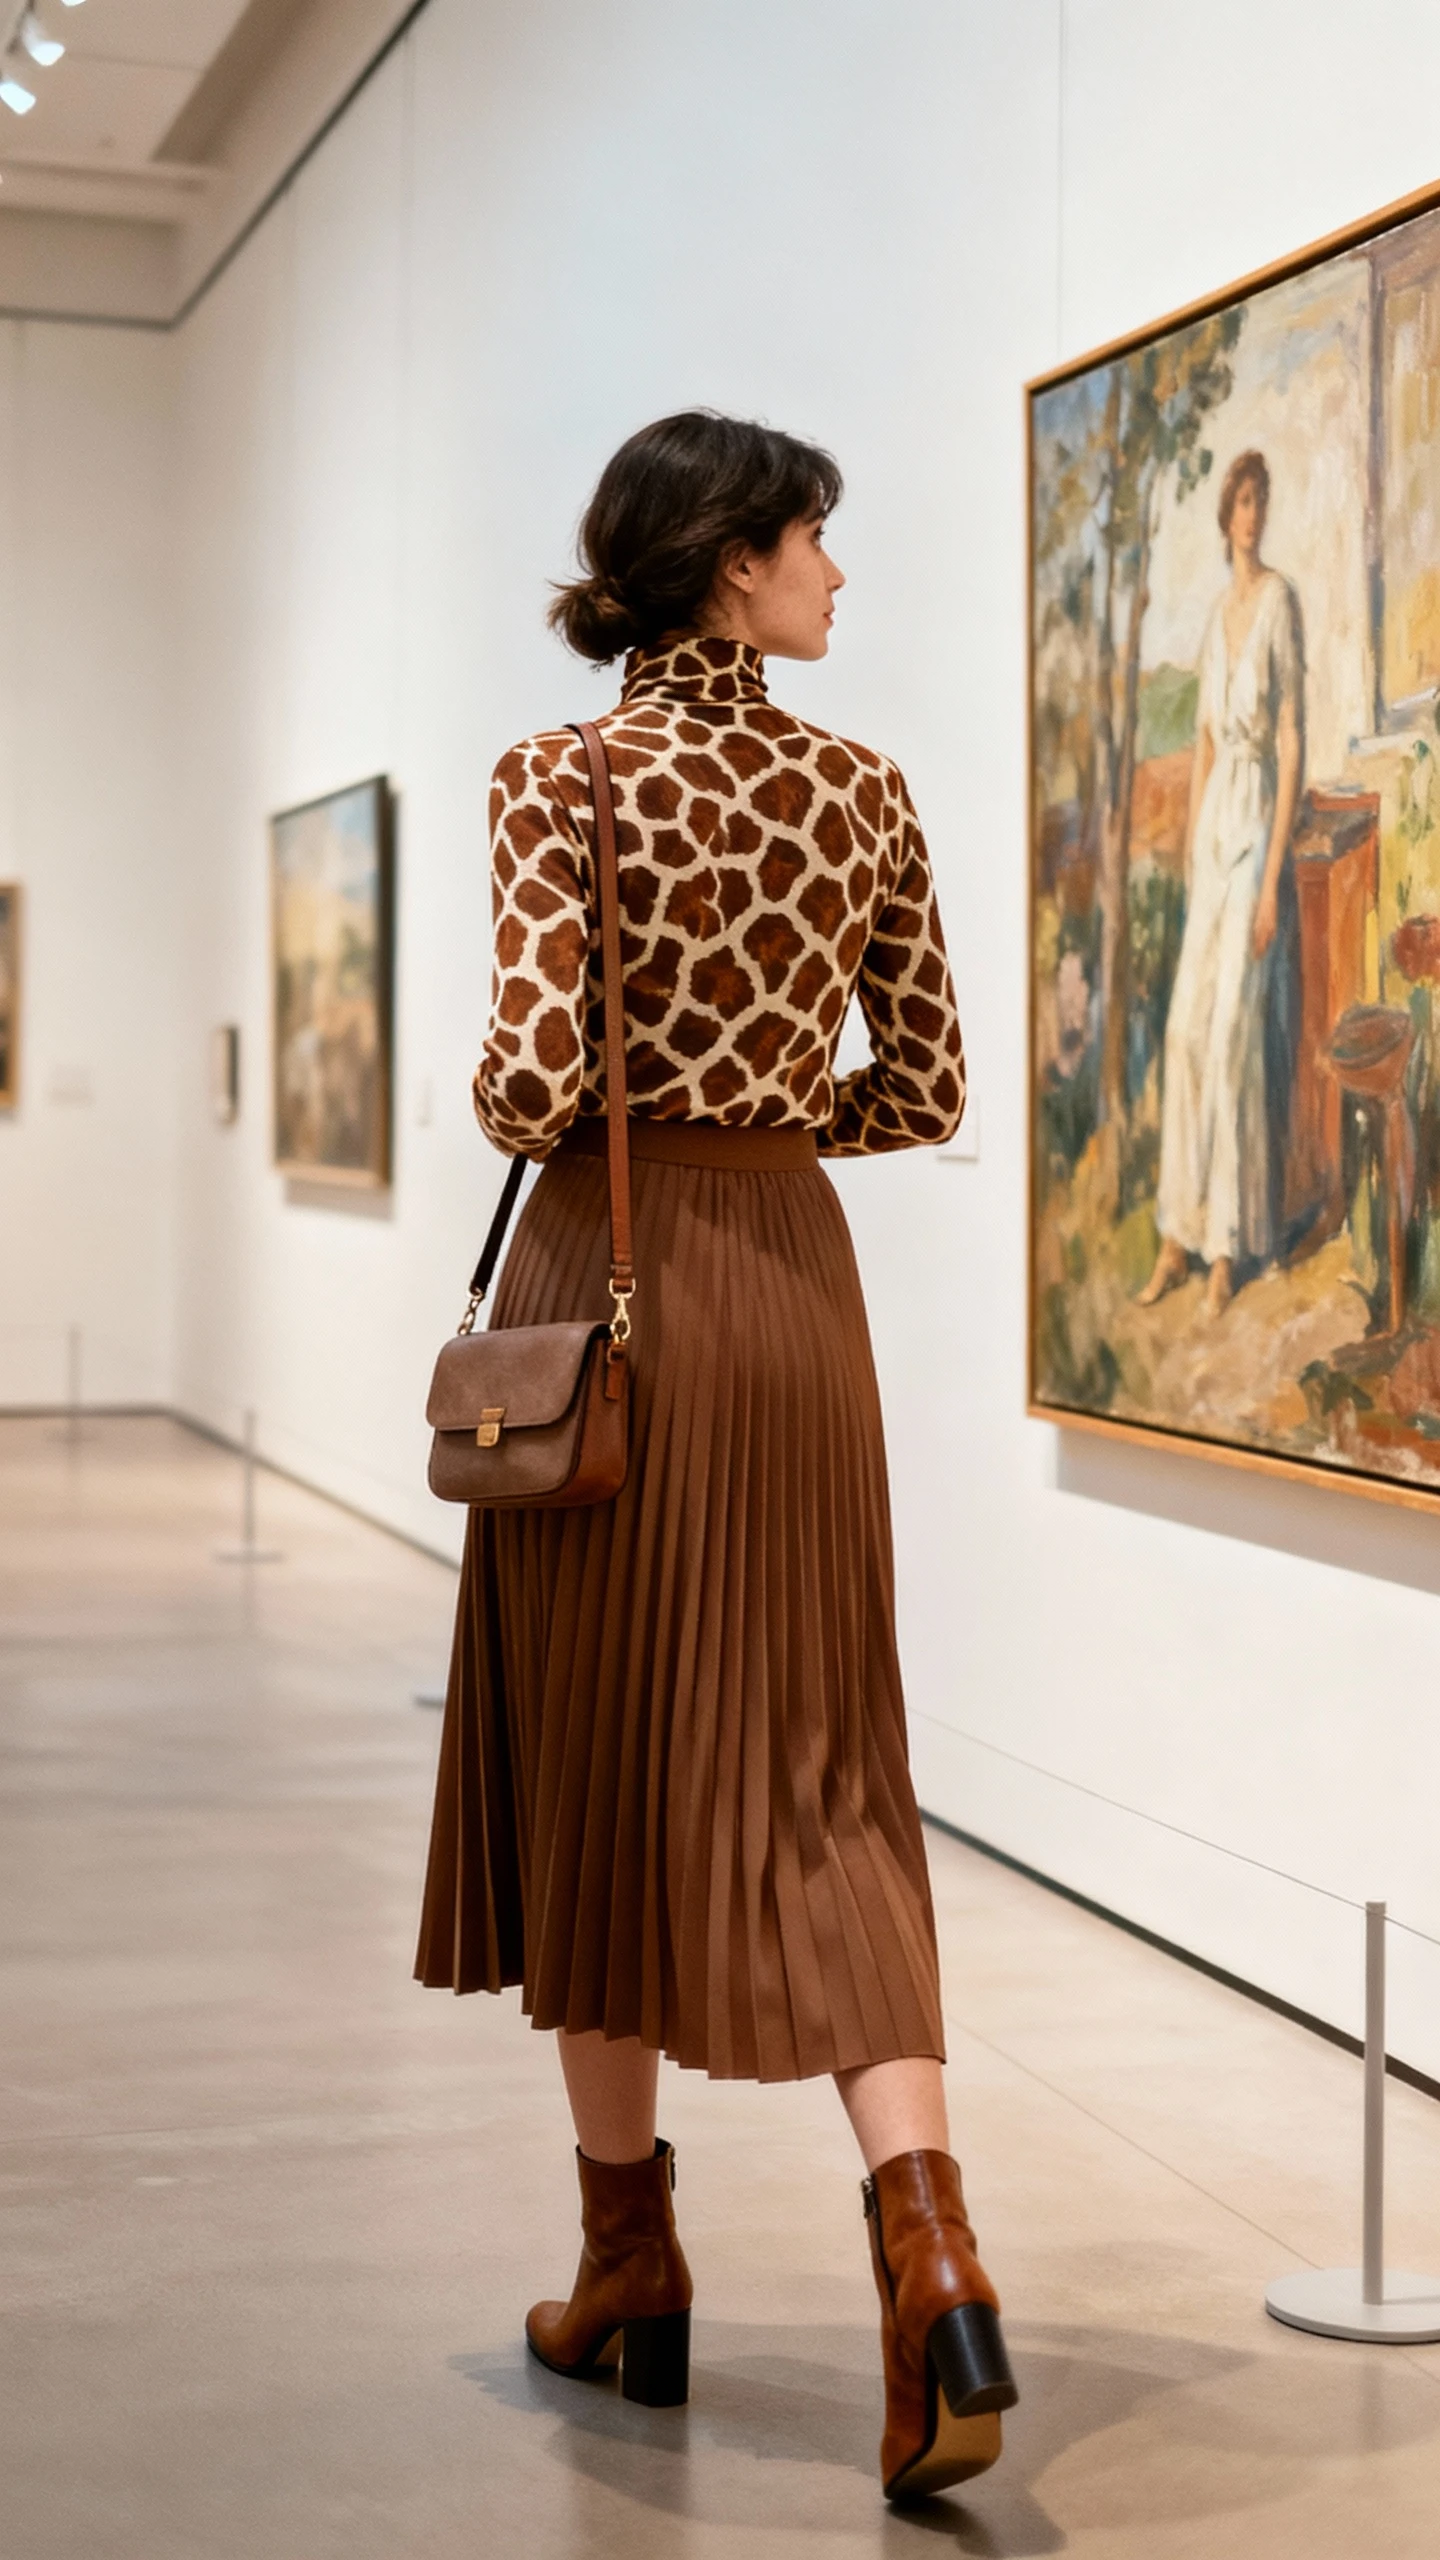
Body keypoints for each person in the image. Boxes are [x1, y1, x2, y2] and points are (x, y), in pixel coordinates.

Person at [415, 410, 1016, 2501]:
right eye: (813, 539)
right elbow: (923, 1084)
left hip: (614, 1290)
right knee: (829, 1769)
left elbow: (529, 1085)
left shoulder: (559, 777)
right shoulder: (864, 788)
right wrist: (768, 1121)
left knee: (600, 1759)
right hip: (793, 1301)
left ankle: (629, 2261)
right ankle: (932, 2250)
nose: (838, 572)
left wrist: (641, 1114)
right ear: (725, 560)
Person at [1138, 449, 1304, 1316]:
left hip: (1257, 830)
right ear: (1225, 515)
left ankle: (1228, 1247)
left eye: (1259, 500)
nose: (1251, 514)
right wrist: (1192, 846)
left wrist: (1270, 879)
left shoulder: (1280, 602)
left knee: (1234, 1031)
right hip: (1212, 837)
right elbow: (1203, 739)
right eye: (1240, 501)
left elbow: (1290, 739)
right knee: (1185, 1034)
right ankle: (1178, 1234)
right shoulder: (1215, 616)